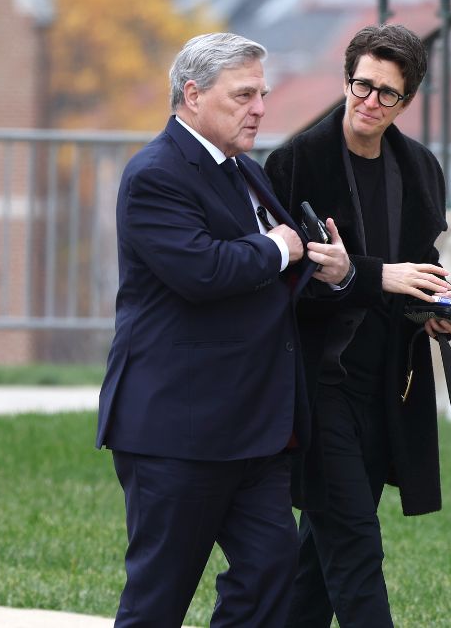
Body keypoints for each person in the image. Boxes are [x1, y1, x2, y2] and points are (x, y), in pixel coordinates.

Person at [96, 32, 316, 627]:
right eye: (244, 94)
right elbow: (201, 270)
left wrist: (333, 267)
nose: (261, 108)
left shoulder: (245, 169)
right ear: (192, 95)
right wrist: (277, 247)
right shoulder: (154, 174)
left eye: (262, 94)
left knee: (270, 577)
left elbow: (280, 269)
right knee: (157, 601)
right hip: (179, 432)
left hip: (255, 431)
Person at [264, 24, 451, 627]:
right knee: (354, 548)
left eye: (386, 93)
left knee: (317, 566)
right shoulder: (298, 162)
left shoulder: (417, 167)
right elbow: (288, 283)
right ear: (346, 80)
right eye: (361, 85)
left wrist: (437, 305)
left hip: (388, 387)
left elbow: (419, 265)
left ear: (407, 100)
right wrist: (377, 276)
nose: (368, 102)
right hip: (320, 387)